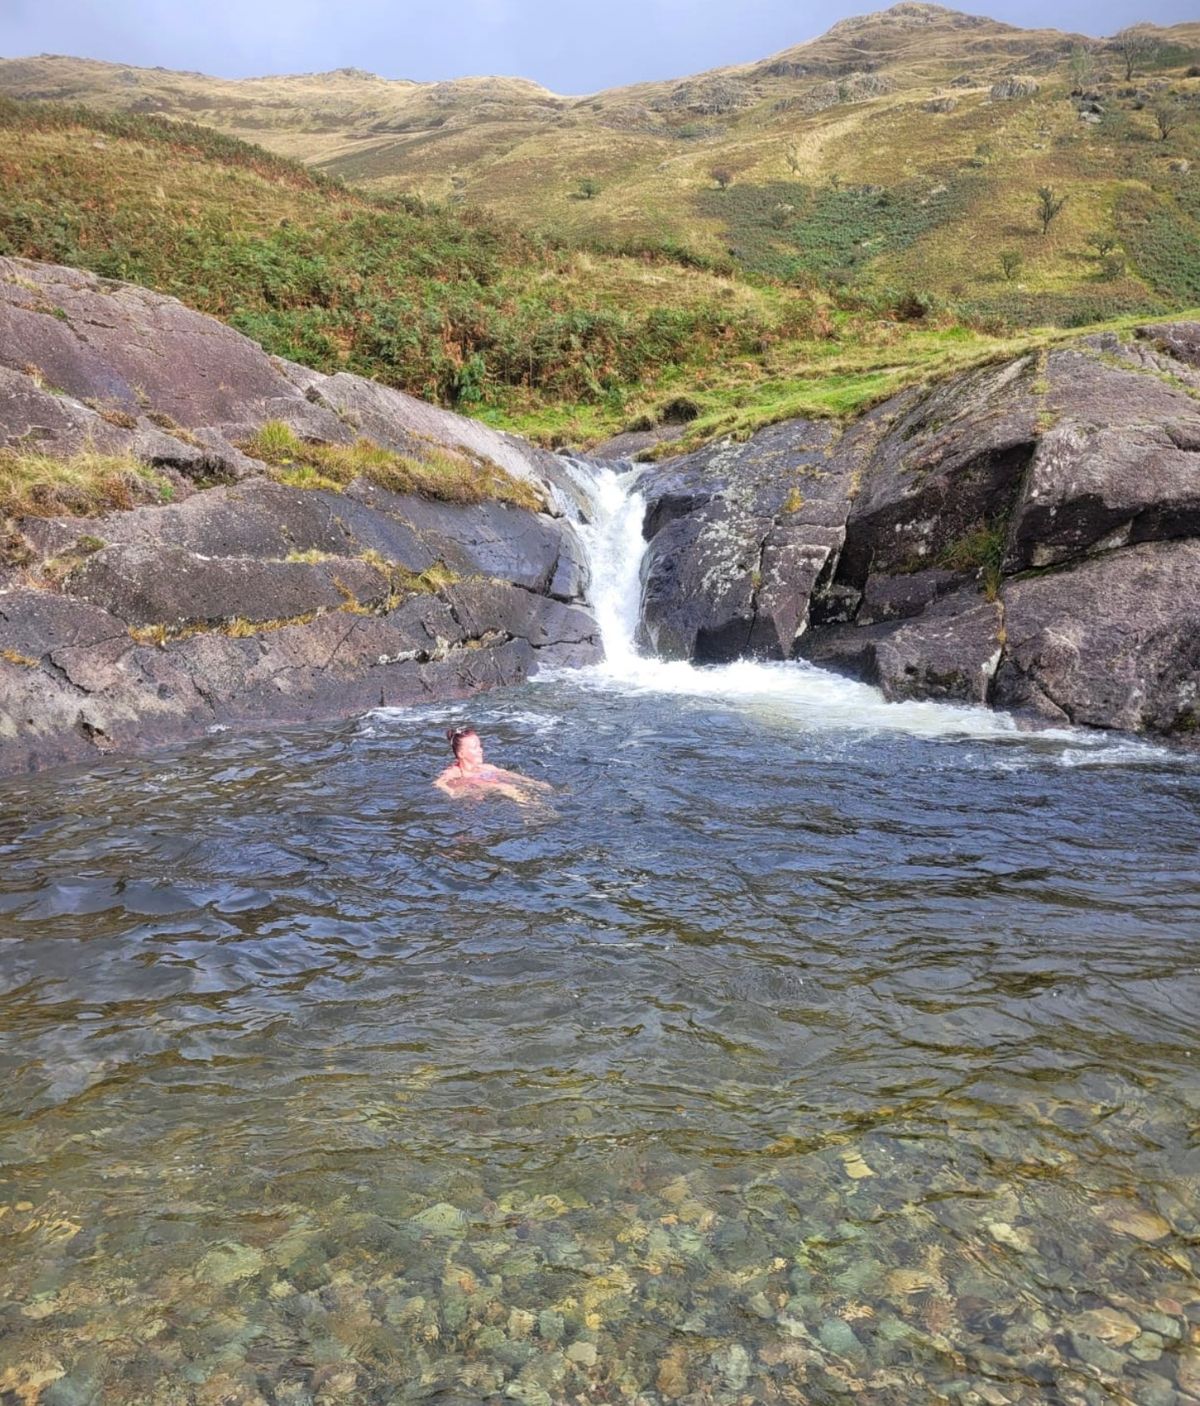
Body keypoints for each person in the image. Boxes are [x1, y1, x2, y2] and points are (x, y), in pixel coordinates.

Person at [434, 725, 552, 803]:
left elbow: (508, 774)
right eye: (475, 748)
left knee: (509, 783)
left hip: (485, 789)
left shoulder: (486, 767)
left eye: (480, 746)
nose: (480, 750)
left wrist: (535, 783)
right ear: (461, 754)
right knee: (504, 787)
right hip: (469, 793)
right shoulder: (455, 771)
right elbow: (439, 783)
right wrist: (453, 793)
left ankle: (538, 800)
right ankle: (530, 808)